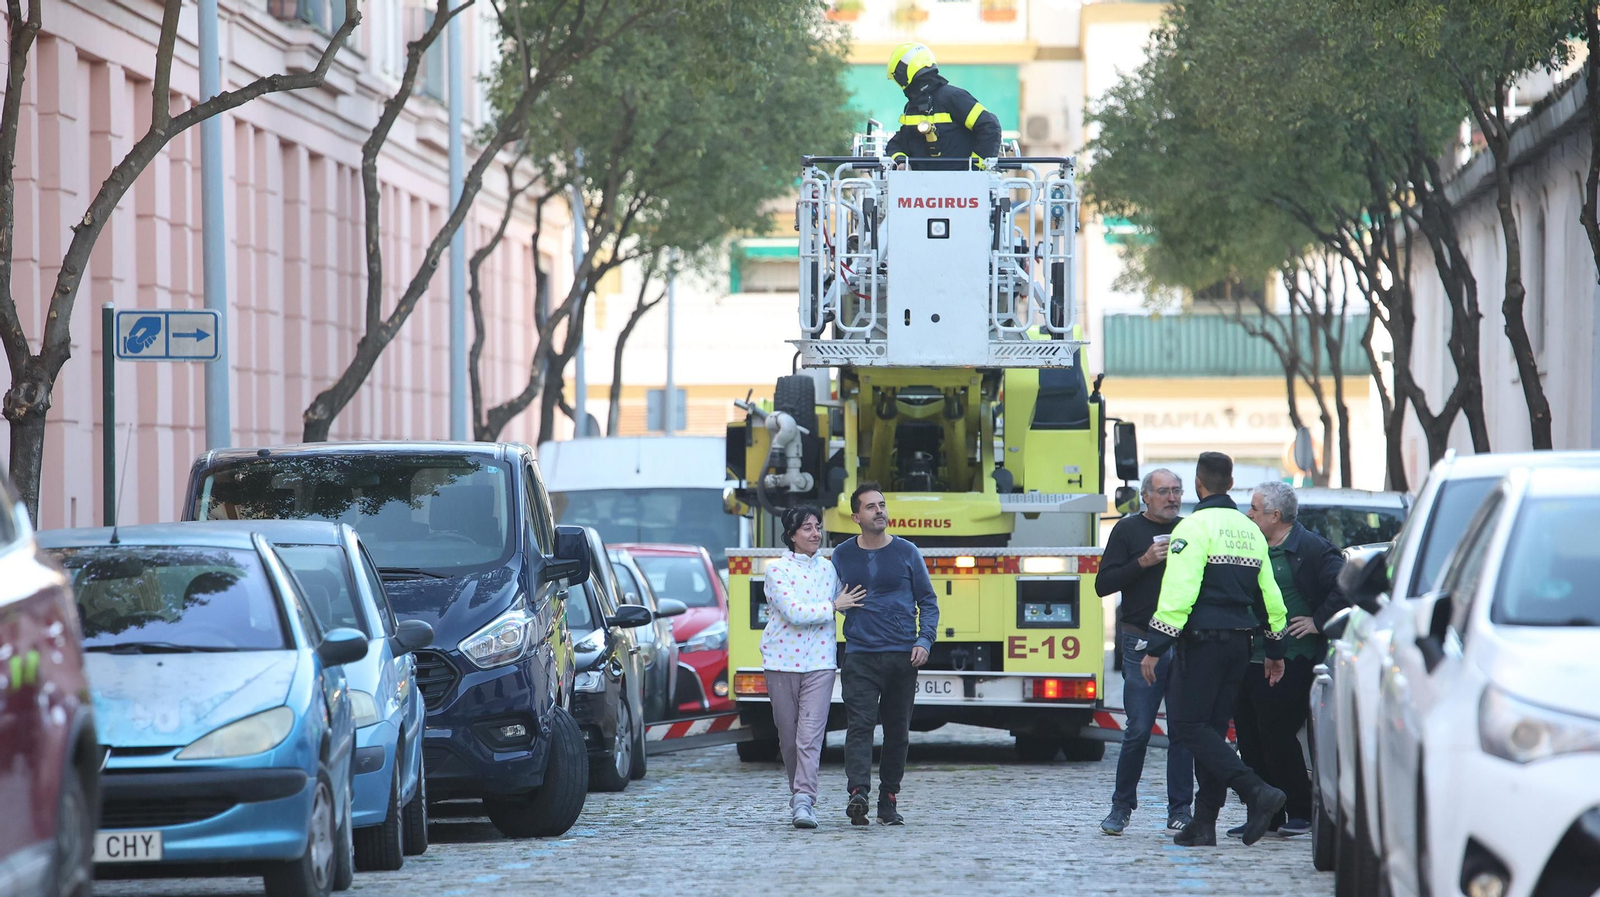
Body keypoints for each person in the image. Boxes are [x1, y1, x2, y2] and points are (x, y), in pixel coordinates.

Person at [1140, 451, 1290, 847]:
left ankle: (1256, 791)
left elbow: (1179, 592)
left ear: (1199, 484)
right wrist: (1276, 648)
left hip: (1203, 644)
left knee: (1189, 727)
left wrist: (1156, 645)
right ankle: (1204, 823)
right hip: (1241, 645)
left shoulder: (1194, 526)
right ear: (1231, 481)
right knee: (1212, 731)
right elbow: (1269, 595)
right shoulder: (1250, 530)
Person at [1229, 482, 1346, 838]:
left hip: (1294, 656)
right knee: (1249, 736)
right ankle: (1266, 813)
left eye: (1254, 509)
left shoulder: (1311, 548)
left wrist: (1317, 621)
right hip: (1252, 654)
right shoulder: (1252, 545)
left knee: (1276, 731)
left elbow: (1344, 587)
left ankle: (1299, 809)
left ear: (1275, 516)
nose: (1248, 515)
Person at [831, 482, 939, 826]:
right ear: (856, 517)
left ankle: (888, 799)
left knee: (898, 732)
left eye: (882, 504)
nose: (879, 511)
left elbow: (929, 601)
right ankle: (858, 793)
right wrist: (836, 606)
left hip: (902, 657)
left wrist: (925, 640)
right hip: (860, 655)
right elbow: (829, 596)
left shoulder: (907, 552)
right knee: (859, 727)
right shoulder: (842, 555)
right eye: (871, 507)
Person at [1096, 469, 1197, 836]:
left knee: (1183, 731)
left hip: (1184, 642)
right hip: (1140, 641)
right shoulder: (1126, 530)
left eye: (1176, 491)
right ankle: (1121, 808)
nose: (1171, 498)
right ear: (1146, 497)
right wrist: (1143, 562)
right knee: (1138, 729)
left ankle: (1181, 809)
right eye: (1163, 492)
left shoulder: (1190, 529)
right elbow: (1102, 585)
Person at [760, 506, 867, 829]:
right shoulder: (777, 571)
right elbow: (794, 612)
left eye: (817, 527)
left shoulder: (829, 569)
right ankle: (798, 794)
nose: (815, 533)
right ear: (792, 535)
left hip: (820, 661)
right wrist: (833, 606)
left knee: (810, 736)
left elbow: (848, 603)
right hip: (781, 662)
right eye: (807, 528)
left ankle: (804, 800)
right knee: (789, 736)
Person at [883, 42, 1003, 171]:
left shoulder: (954, 97)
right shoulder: (912, 108)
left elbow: (990, 127)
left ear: (903, 73)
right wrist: (901, 162)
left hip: (963, 187)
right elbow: (896, 145)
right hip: (921, 187)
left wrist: (975, 169)